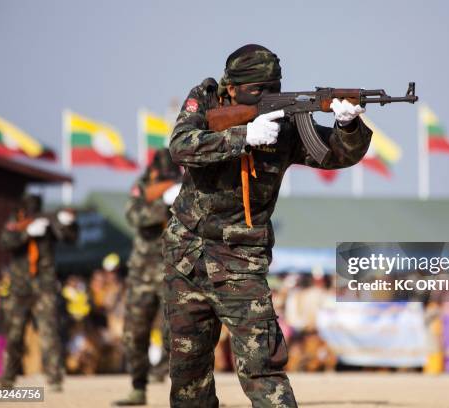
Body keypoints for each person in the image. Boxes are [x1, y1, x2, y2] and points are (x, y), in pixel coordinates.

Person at [163, 44, 372, 407]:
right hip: (187, 254)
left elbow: (334, 155)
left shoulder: (287, 125)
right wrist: (242, 137)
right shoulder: (205, 99)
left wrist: (347, 125)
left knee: (263, 366)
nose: (269, 96)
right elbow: (181, 145)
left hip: (241, 259)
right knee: (188, 372)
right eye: (259, 90)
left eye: (274, 87)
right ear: (232, 88)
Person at [114, 149, 182, 406]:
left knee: (177, 334)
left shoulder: (184, 184)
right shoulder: (142, 187)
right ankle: (137, 388)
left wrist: (178, 200)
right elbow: (134, 216)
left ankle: (188, 393)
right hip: (142, 272)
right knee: (134, 333)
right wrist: (161, 203)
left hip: (174, 269)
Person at [0, 193, 78, 392]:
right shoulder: (16, 220)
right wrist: (27, 233)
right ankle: (8, 377)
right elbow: (5, 242)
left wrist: (68, 223)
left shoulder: (48, 221)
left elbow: (69, 238)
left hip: (44, 286)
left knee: (50, 333)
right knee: (14, 334)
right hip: (19, 288)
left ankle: (54, 378)